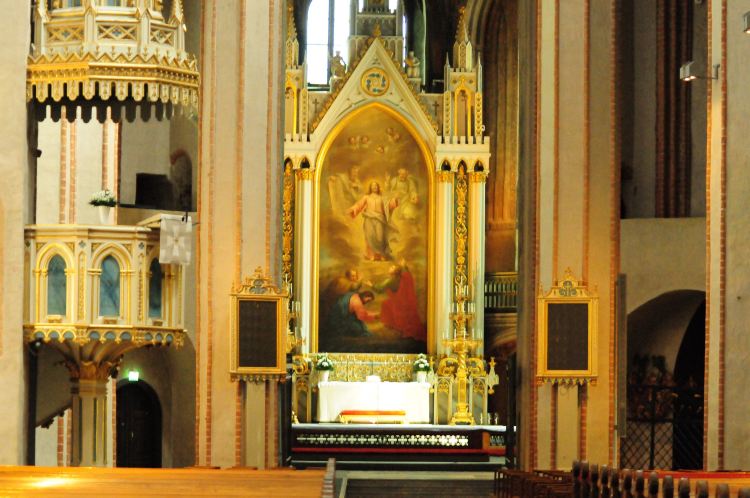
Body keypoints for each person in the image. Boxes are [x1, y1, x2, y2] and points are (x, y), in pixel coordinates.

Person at [347, 181, 399, 261]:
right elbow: (359, 205)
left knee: (380, 237)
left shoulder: (382, 198)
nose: (374, 187)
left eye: (376, 186)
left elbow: (388, 206)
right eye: (372, 186)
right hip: (369, 218)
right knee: (370, 236)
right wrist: (352, 209)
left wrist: (394, 200)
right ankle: (372, 255)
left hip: (379, 219)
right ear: (370, 188)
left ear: (378, 187)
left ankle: (382, 255)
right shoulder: (366, 197)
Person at [376, 262, 425, 341]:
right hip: (403, 301)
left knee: (387, 305)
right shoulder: (402, 277)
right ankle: (391, 325)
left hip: (399, 303)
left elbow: (379, 289)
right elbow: (408, 275)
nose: (390, 268)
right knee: (385, 303)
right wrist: (405, 266)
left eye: (392, 267)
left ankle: (396, 326)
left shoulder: (391, 280)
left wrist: (371, 285)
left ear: (395, 272)